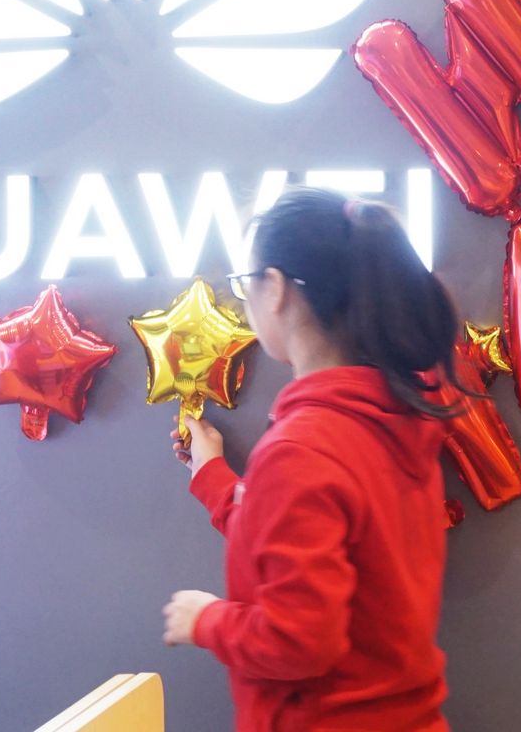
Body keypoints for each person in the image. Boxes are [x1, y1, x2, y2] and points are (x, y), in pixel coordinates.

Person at [160, 188, 470, 731]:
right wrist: (213, 477)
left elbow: (297, 639)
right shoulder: (398, 416)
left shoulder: (303, 447)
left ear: (275, 288)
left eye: (245, 285)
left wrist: (207, 620)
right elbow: (296, 544)